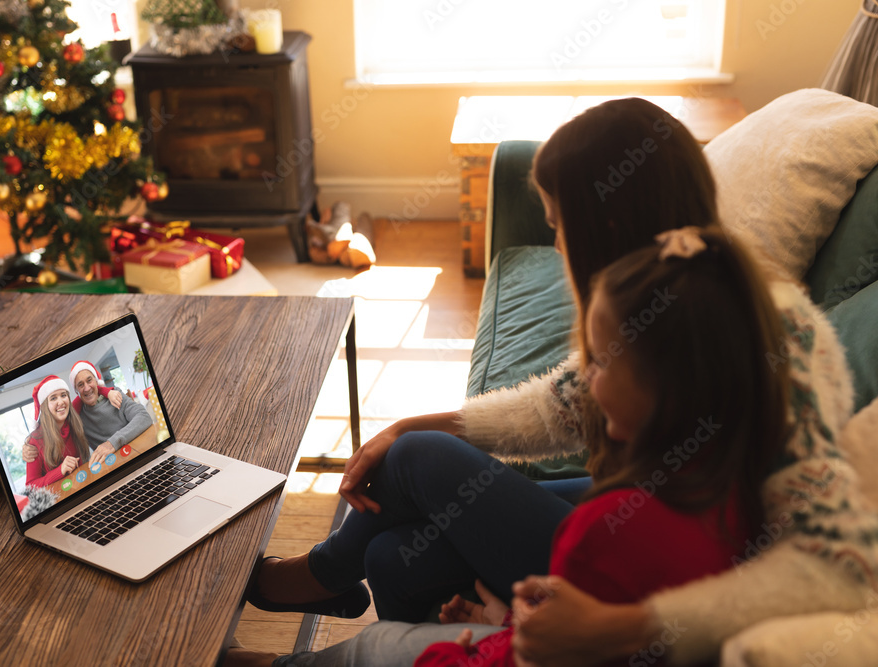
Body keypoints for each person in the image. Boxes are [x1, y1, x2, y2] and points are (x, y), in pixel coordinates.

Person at [242, 97, 878, 665]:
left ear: (604, 225)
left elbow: (818, 549)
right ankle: (362, 590)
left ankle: (320, 576)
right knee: (393, 554)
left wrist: (623, 625)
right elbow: (562, 408)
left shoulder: (772, 337)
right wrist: (409, 421)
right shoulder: (673, 295)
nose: (554, 239)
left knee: (416, 460)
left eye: (555, 223)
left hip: (674, 573)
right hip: (646, 516)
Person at [412, 226, 785, 667]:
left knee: (372, 634)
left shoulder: (602, 530)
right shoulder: (740, 497)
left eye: (602, 362)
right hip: (506, 630)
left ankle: (327, 576)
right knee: (391, 548)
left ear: (660, 384)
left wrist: (445, 654)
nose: (586, 381)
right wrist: (510, 623)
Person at [23, 360, 152, 468]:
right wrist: (28, 443)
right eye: (80, 385)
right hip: (114, 466)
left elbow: (144, 417)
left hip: (140, 453)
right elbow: (53, 424)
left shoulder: (115, 394)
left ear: (96, 381)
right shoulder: (76, 416)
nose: (86, 388)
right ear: (77, 391)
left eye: (89, 380)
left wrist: (111, 443)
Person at [24, 375, 92, 487]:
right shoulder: (34, 441)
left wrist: (109, 392)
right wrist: (59, 471)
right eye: (53, 398)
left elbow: (89, 391)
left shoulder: (72, 416)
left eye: (63, 395)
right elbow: (30, 486)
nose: (60, 402)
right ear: (45, 406)